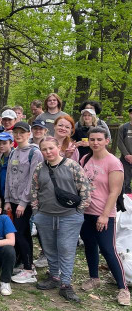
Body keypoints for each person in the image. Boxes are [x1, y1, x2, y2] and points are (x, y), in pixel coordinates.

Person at [30, 137, 91, 302]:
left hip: (69, 216)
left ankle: (66, 284)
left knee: (65, 248)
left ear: (58, 147)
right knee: (49, 248)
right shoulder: (39, 168)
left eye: (51, 148)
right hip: (45, 216)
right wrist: (36, 212)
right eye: (44, 149)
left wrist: (79, 211)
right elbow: (34, 190)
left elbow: (84, 188)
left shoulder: (72, 166)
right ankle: (54, 276)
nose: (48, 152)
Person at [79, 127, 130, 306]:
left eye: (99, 139)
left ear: (107, 140)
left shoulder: (114, 163)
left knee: (108, 249)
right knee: (90, 245)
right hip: (86, 212)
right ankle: (94, 277)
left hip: (104, 213)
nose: (95, 142)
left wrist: (104, 215)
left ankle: (123, 288)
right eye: (92, 139)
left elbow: (114, 192)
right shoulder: (85, 158)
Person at [4, 122, 43, 284]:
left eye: (22, 132)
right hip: (12, 200)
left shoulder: (35, 153)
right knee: (22, 232)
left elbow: (33, 179)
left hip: (24, 202)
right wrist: (7, 199)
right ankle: (26, 263)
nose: (18, 135)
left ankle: (29, 269)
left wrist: (23, 202)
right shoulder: (13, 152)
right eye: (16, 132)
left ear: (29, 134)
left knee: (20, 233)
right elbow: (8, 177)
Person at [0, 132, 14, 198]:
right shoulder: (1, 157)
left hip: (13, 195)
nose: (1, 146)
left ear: (11, 144)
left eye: (4, 143)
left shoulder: (16, 157)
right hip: (3, 193)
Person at [118, 106, 132, 195]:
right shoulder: (123, 127)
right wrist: (127, 155)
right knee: (125, 181)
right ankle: (127, 203)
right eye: (131, 113)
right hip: (125, 159)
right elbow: (120, 142)